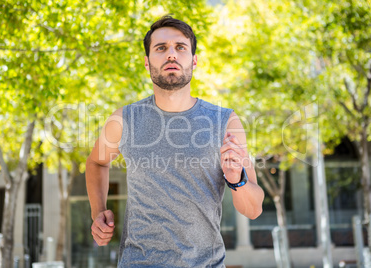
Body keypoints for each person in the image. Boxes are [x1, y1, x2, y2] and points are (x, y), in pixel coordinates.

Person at [85, 16, 264, 267]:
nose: (171, 55)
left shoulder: (225, 122)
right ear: (147, 63)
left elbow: (253, 209)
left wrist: (237, 180)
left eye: (180, 47)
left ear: (194, 60)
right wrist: (97, 211)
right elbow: (96, 162)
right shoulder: (124, 119)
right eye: (161, 48)